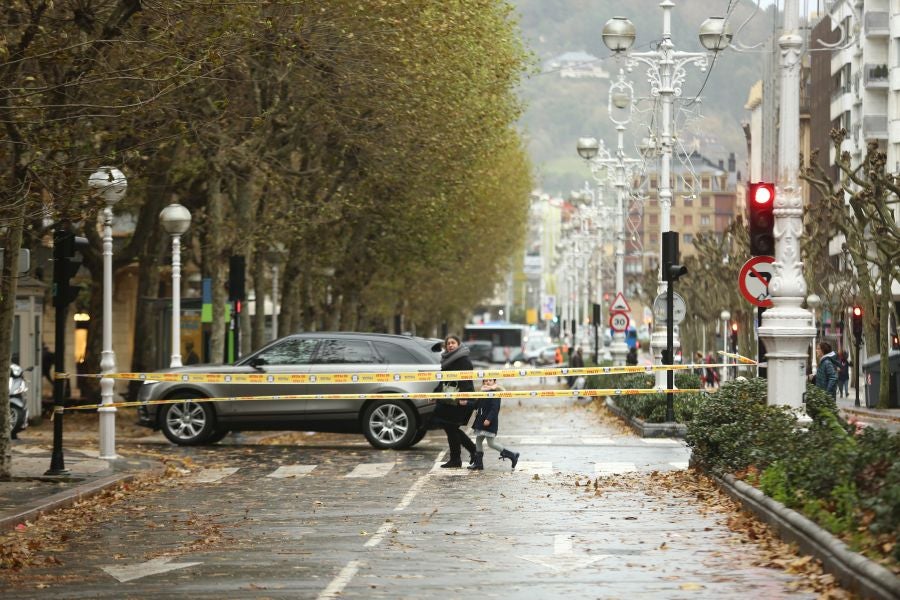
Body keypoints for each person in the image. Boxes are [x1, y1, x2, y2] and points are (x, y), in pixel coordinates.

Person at [432, 335, 477, 468]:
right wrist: (434, 394)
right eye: (448, 343)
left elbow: (466, 380)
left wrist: (464, 396)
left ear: (458, 344)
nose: (450, 345)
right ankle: (462, 456)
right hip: (447, 400)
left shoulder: (463, 360)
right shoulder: (446, 360)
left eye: (453, 343)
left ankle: (463, 455)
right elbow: (443, 380)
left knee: (451, 427)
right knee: (450, 427)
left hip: (459, 400)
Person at [468, 378, 519, 470]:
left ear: (494, 382)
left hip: (489, 422)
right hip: (480, 421)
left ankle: (512, 455)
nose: (487, 382)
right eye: (485, 380)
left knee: (491, 443)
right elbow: (476, 405)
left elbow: (495, 408)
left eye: (490, 380)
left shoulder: (495, 392)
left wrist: (489, 419)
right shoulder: (483, 392)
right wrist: (468, 402)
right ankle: (479, 464)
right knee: (478, 441)